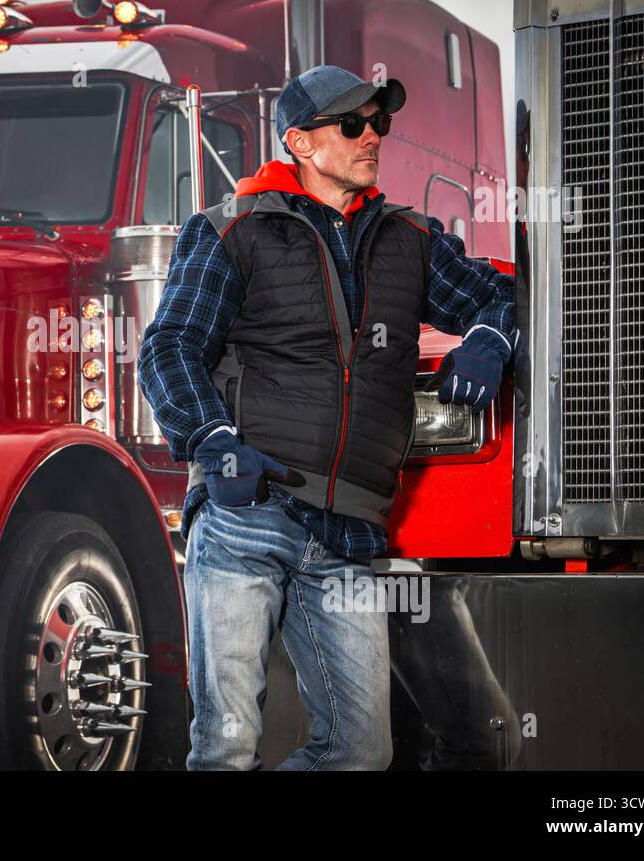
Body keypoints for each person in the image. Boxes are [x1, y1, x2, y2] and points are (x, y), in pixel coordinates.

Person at [137, 64, 519, 770]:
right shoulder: (234, 230)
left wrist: (492, 339)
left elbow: (503, 296)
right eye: (352, 124)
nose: (372, 135)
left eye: (379, 122)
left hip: (348, 532)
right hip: (248, 514)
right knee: (225, 747)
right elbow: (169, 346)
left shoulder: (408, 239)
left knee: (359, 753)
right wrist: (212, 438)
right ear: (300, 143)